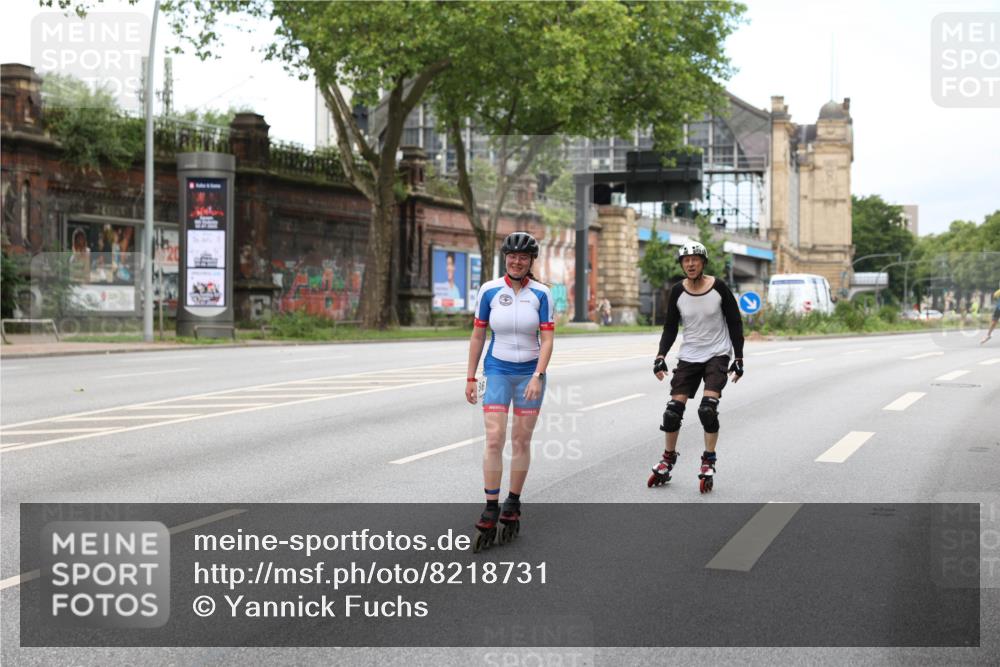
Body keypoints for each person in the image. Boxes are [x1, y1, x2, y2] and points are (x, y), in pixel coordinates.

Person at [465, 232, 554, 550]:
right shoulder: (489, 290)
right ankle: (491, 506)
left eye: (523, 257)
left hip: (530, 373)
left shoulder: (542, 294)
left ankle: (513, 503)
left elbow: (548, 339)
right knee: (494, 438)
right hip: (498, 370)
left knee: (520, 440)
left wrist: (538, 375)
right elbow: (478, 336)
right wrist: (470, 377)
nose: (517, 261)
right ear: (506, 258)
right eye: (512, 256)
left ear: (531, 261)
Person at [649, 241, 745, 493]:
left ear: (703, 263)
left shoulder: (719, 287)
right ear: (682, 264)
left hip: (717, 354)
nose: (690, 264)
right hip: (689, 355)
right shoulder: (677, 291)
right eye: (686, 260)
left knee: (707, 410)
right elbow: (670, 327)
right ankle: (668, 458)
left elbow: (735, 322)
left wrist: (739, 357)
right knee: (672, 412)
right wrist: (660, 355)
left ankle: (708, 460)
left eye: (695, 260)